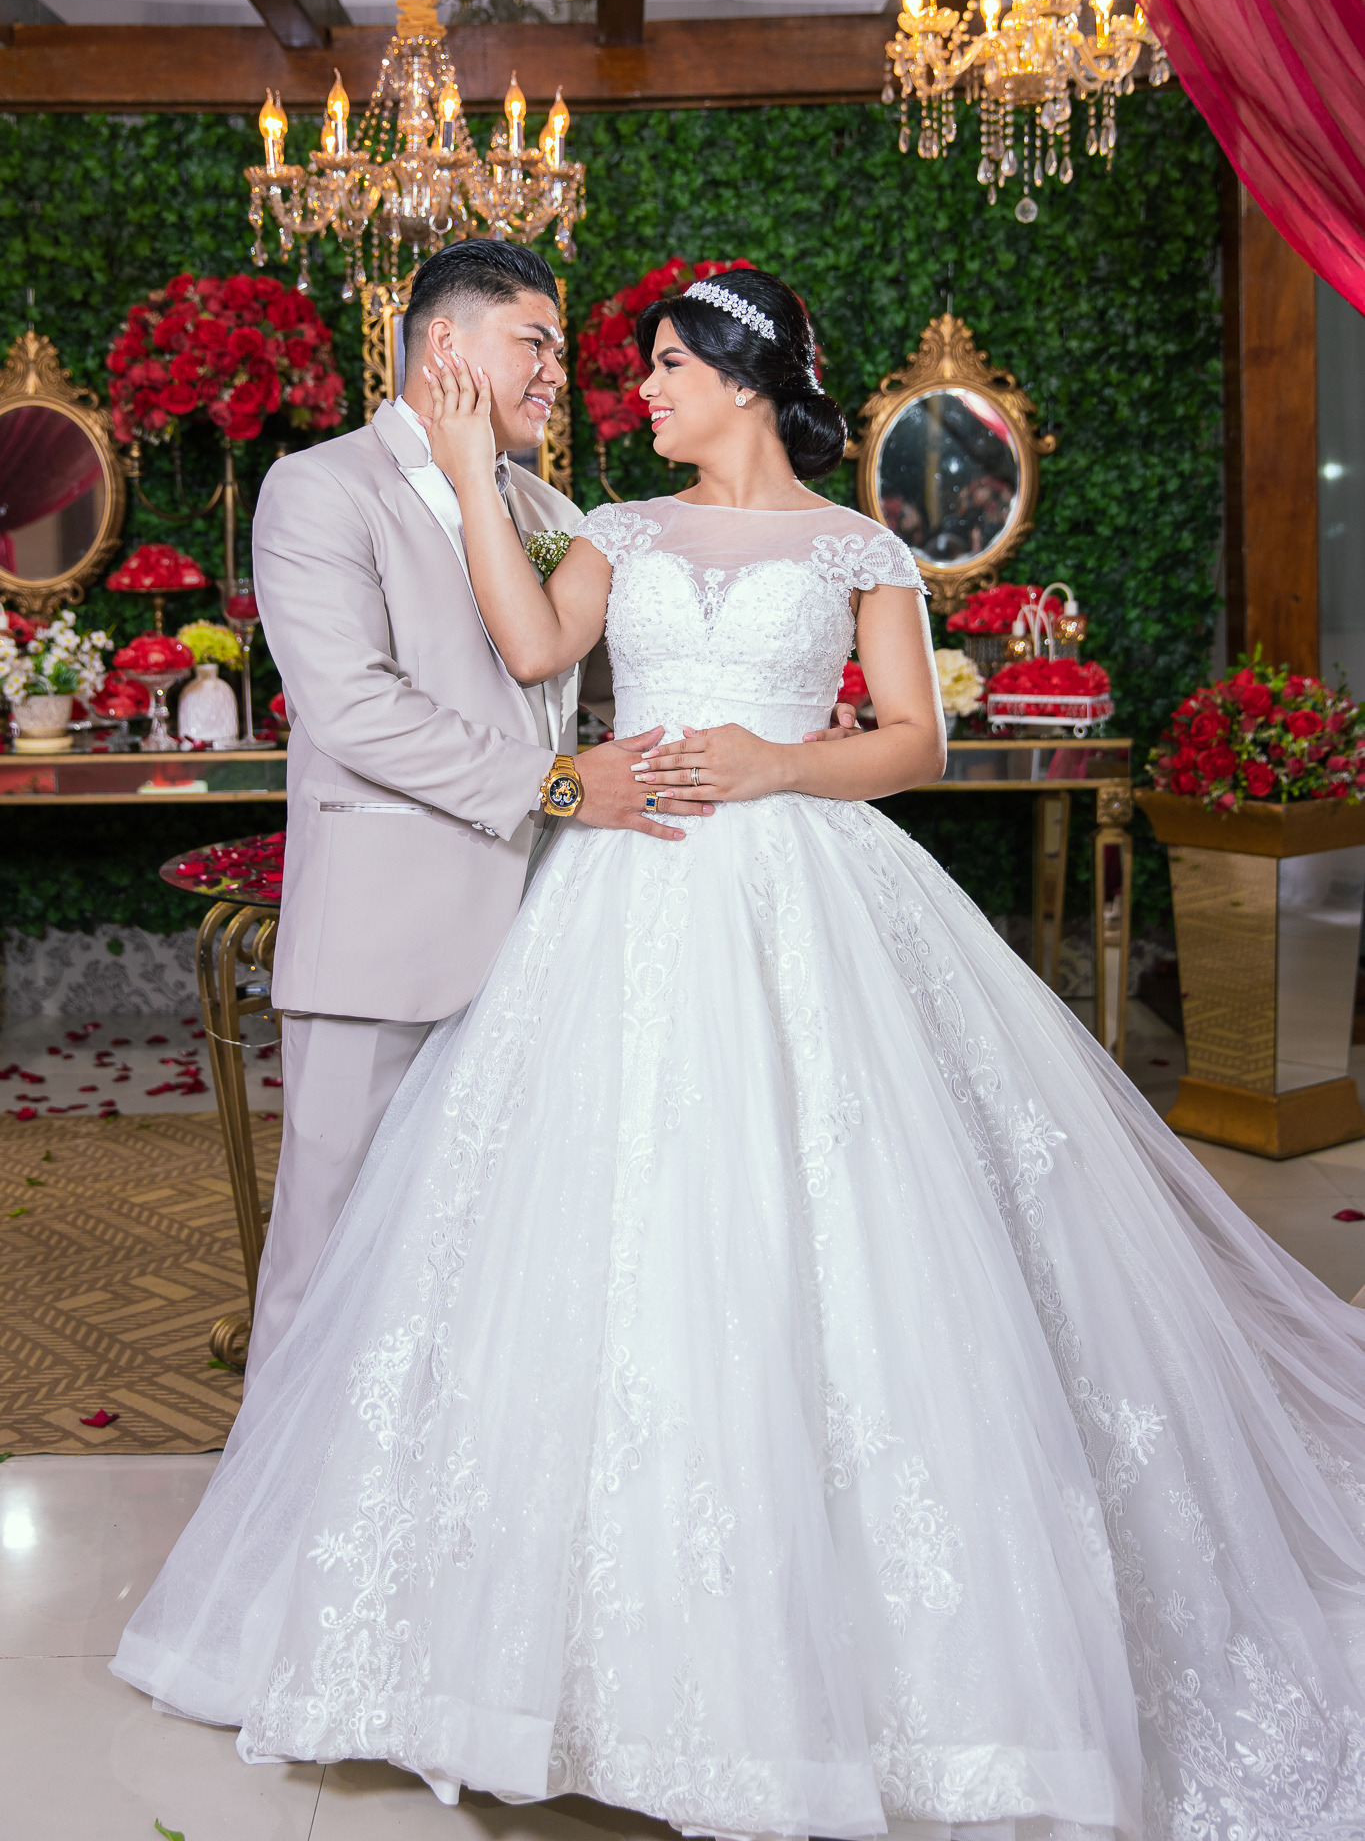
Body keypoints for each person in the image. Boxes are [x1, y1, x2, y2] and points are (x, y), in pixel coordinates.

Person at [116, 269, 1365, 1841]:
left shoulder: (860, 547)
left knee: (825, 1219)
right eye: (615, 362)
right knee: (569, 1230)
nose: (631, 387)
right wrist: (468, 479)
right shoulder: (608, 526)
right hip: (618, 892)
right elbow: (527, 652)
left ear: (745, 378)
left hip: (797, 885)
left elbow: (913, 737)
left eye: (661, 364)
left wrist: (782, 762)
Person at [245, 240, 678, 1385]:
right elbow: (354, 709)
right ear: (445, 342)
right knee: (328, 1261)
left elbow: (607, 681)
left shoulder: (545, 505)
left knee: (491, 1261)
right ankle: (284, 1491)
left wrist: (773, 713)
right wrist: (559, 784)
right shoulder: (321, 488)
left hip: (544, 950)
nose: (557, 373)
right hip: (383, 950)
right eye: (536, 342)